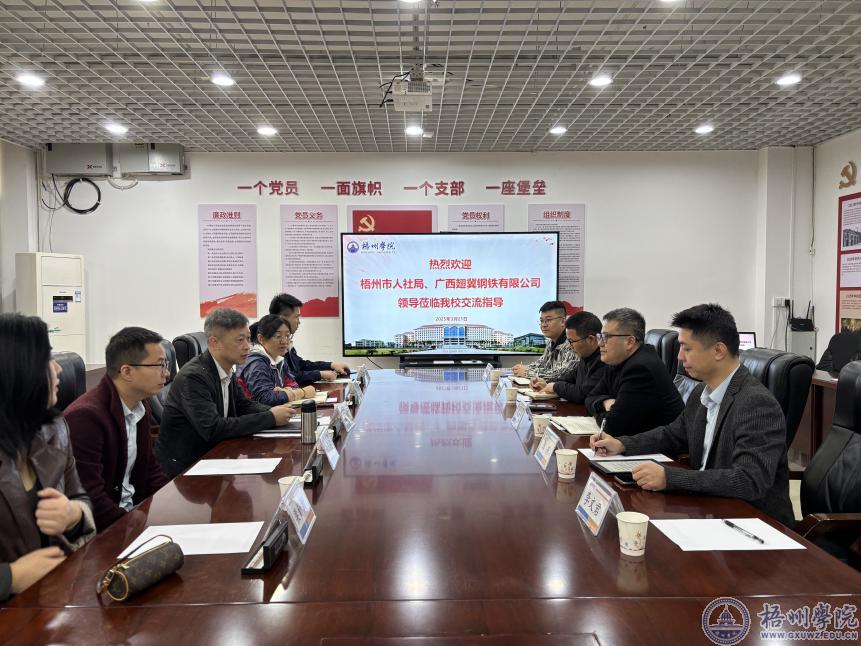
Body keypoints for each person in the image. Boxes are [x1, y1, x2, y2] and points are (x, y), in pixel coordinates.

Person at [591, 303, 794, 526]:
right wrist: (622, 444)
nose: (679, 357)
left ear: (718, 351)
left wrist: (670, 477)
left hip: (752, 522)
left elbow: (748, 480)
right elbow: (672, 435)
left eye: (687, 349)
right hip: (708, 507)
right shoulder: (702, 392)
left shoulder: (756, 403)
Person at [0, 314, 95, 602]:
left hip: (56, 599)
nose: (58, 369)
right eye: (47, 359)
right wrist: (10, 577)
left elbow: (80, 498)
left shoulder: (54, 429)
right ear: (18, 369)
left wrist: (73, 514)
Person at [155, 308, 297, 479]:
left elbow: (243, 404)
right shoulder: (194, 377)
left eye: (248, 339)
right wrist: (271, 417)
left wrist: (276, 412)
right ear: (214, 342)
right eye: (240, 340)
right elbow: (213, 428)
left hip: (216, 455)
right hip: (187, 467)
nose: (247, 346)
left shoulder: (226, 369)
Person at [65, 327, 170, 531]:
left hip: (134, 516)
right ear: (127, 371)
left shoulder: (140, 406)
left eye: (165, 364)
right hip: (108, 529)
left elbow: (150, 470)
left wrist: (171, 503)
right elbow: (91, 498)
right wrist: (135, 526)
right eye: (159, 365)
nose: (166, 372)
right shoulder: (86, 418)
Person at [585, 307, 683, 436]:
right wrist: (604, 402)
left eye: (606, 337)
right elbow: (589, 398)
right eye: (600, 337)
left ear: (630, 342)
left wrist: (598, 410)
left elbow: (611, 426)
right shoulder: (615, 360)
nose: (600, 344)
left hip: (659, 446)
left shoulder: (641, 370)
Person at [269, 293, 351, 386]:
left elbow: (301, 365)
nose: (299, 322)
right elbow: (288, 377)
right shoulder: (272, 344)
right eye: (296, 317)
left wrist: (331, 365)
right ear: (282, 318)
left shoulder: (286, 342)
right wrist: (319, 374)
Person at [530, 311, 606, 404]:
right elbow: (569, 378)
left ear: (590, 339)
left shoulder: (605, 360)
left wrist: (555, 387)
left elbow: (584, 393)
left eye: (571, 341)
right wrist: (546, 383)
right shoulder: (585, 356)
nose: (570, 346)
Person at [239, 314, 316, 406]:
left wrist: (285, 392)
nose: (284, 341)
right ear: (261, 339)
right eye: (278, 336)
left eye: (287, 336)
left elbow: (293, 384)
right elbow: (265, 398)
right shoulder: (255, 362)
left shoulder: (279, 359)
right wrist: (302, 392)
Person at [511, 301, 578, 381]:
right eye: (541, 321)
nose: (543, 325)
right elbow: (541, 363)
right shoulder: (550, 342)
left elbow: (562, 374)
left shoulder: (572, 342)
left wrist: (527, 372)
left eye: (548, 320)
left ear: (563, 322)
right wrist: (522, 368)